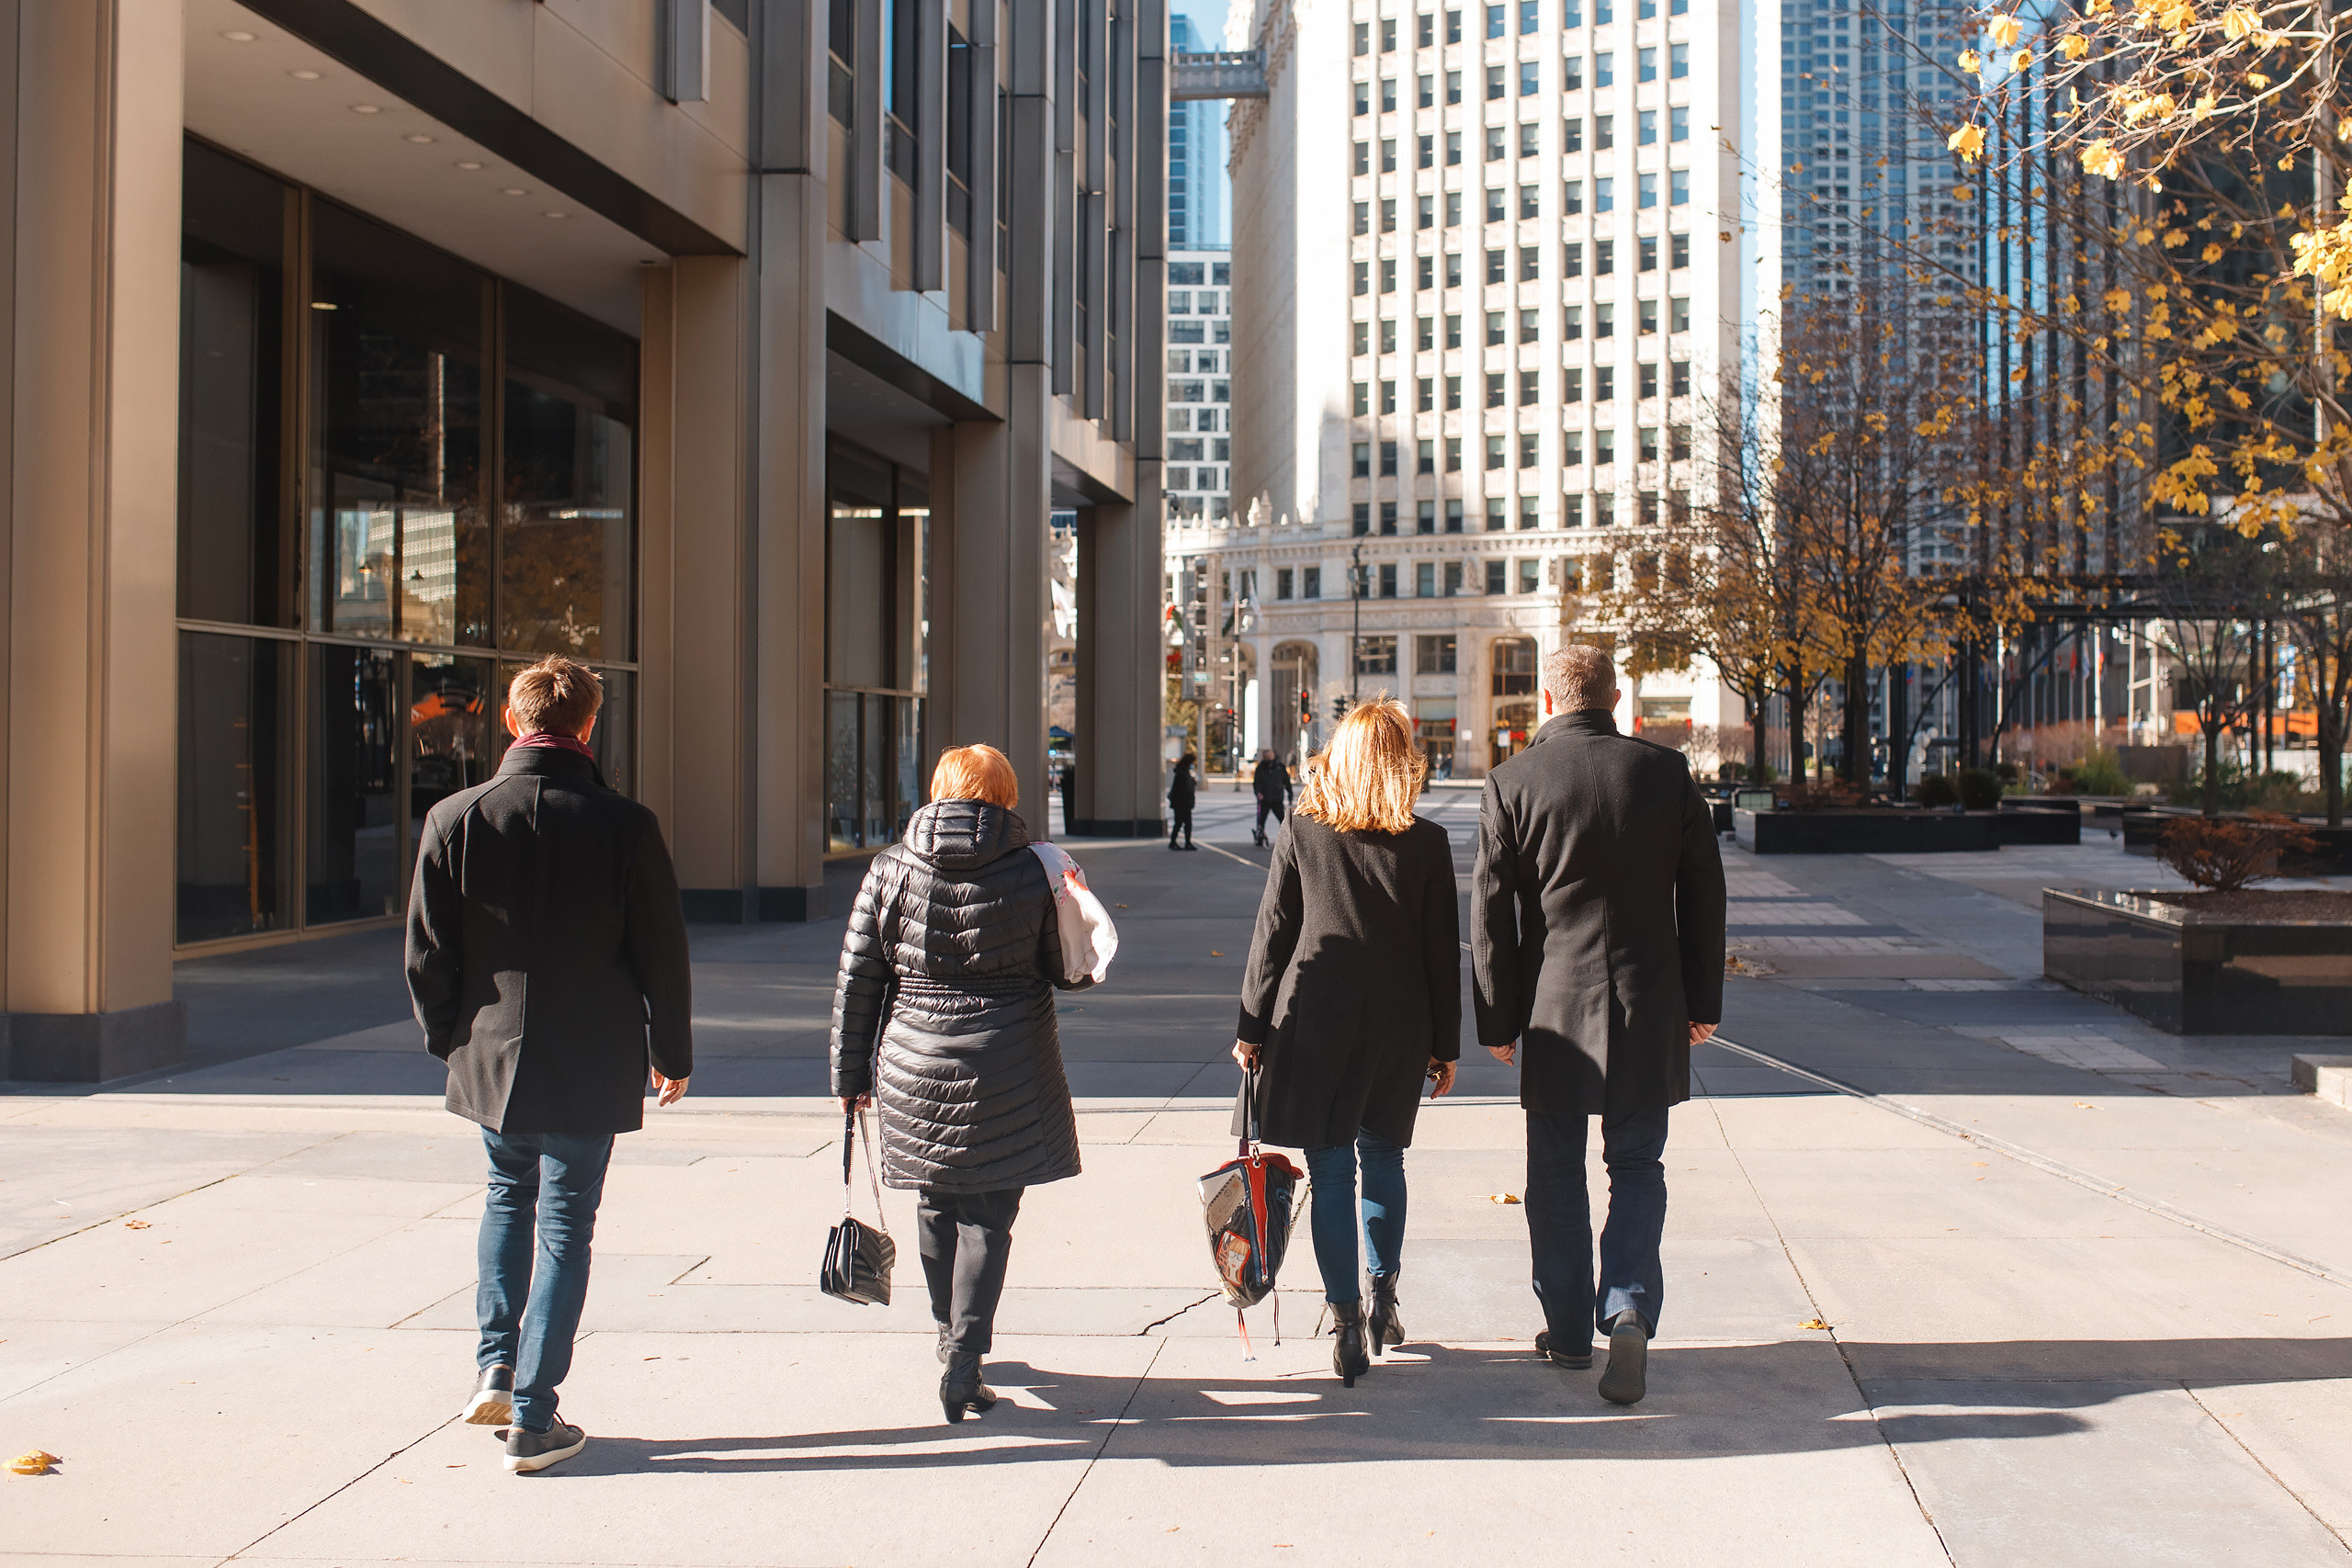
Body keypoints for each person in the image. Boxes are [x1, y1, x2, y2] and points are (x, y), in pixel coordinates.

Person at [407, 655, 693, 1474]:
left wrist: (450, 1042)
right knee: (567, 1224)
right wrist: (670, 1051)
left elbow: (427, 955)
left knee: (507, 1195)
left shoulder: (455, 818)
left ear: (510, 719)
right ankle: (533, 1415)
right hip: (593, 1054)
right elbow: (661, 953)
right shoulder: (625, 825)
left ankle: (496, 1366)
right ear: (590, 726)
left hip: (491, 1055)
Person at [1472, 646, 1725, 1406]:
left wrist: (1496, 1016)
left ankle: (1569, 1332)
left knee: (1554, 1174)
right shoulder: (1664, 772)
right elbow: (1704, 894)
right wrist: (1703, 1001)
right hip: (1650, 1005)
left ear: (1547, 698)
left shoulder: (1512, 781)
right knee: (1638, 1166)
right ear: (1615, 696)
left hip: (1553, 1009)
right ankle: (1627, 1308)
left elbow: (1489, 915)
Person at [831, 743, 1091, 1422]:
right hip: (1008, 1062)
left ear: (939, 791)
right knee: (989, 1217)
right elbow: (1071, 969)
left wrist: (848, 1074)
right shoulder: (1039, 871)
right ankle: (965, 1361)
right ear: (1004, 795)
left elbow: (860, 977)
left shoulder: (889, 867)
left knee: (935, 1204)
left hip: (914, 1061)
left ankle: (951, 1337)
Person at [1230, 700, 1460, 1387]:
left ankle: (1344, 1320)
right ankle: (1385, 1296)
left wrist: (1250, 1026)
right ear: (1402, 762)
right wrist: (1446, 1045)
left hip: (1317, 1019)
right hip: (1400, 1021)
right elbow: (1439, 953)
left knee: (1332, 1171)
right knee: (1383, 1155)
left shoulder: (1304, 831)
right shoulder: (1426, 841)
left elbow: (1272, 934)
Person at [1250, 748, 1293, 848]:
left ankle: (1286, 838)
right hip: (1264, 799)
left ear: (1274, 755)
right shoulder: (1260, 768)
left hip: (1277, 798)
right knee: (1261, 820)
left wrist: (1290, 794)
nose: (1268, 758)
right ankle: (1260, 836)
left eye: (1270, 756)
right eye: (1266, 756)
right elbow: (1256, 783)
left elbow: (1287, 782)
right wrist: (1258, 793)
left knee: (1283, 819)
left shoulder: (1280, 767)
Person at [1168, 752, 1198, 851]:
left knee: (1184, 823)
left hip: (1183, 802)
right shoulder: (1182, 774)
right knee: (1181, 823)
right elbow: (1182, 789)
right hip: (1182, 803)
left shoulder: (1183, 772)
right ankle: (1175, 842)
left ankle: (1183, 842)